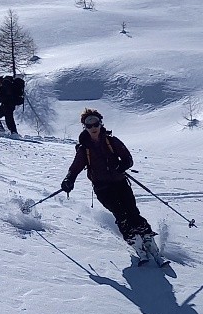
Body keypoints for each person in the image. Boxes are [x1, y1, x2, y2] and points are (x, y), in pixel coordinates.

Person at [61, 108, 159, 260]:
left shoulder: (111, 141)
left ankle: (147, 238)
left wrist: (122, 165)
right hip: (102, 188)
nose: (93, 128)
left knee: (132, 212)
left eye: (95, 123)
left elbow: (128, 159)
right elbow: (75, 167)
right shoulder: (84, 149)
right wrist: (69, 179)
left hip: (120, 183)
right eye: (89, 125)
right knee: (120, 215)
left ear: (100, 124)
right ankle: (134, 241)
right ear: (84, 127)